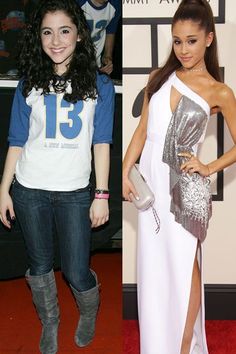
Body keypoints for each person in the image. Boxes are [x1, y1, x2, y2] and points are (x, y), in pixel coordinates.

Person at [0, 0, 114, 353]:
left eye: (64, 30)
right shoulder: (29, 84)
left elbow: (101, 142)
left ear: (80, 35)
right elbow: (17, 142)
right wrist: (4, 189)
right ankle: (50, 322)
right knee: (39, 266)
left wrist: (102, 194)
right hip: (29, 189)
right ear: (39, 36)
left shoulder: (100, 85)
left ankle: (89, 313)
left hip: (75, 193)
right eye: (47, 31)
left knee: (77, 272)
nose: (56, 40)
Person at [123, 0, 236, 353]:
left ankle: (184, 346)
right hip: (151, 184)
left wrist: (208, 167)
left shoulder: (219, 91)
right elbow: (142, 131)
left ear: (208, 39)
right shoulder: (160, 77)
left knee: (187, 268)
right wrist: (125, 171)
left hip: (185, 191)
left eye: (190, 40)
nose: (183, 49)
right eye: (177, 41)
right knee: (155, 269)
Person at [77, 0, 121, 75]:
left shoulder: (115, 3)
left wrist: (107, 57)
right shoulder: (78, 3)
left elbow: (110, 31)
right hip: (73, 62)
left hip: (95, 64)